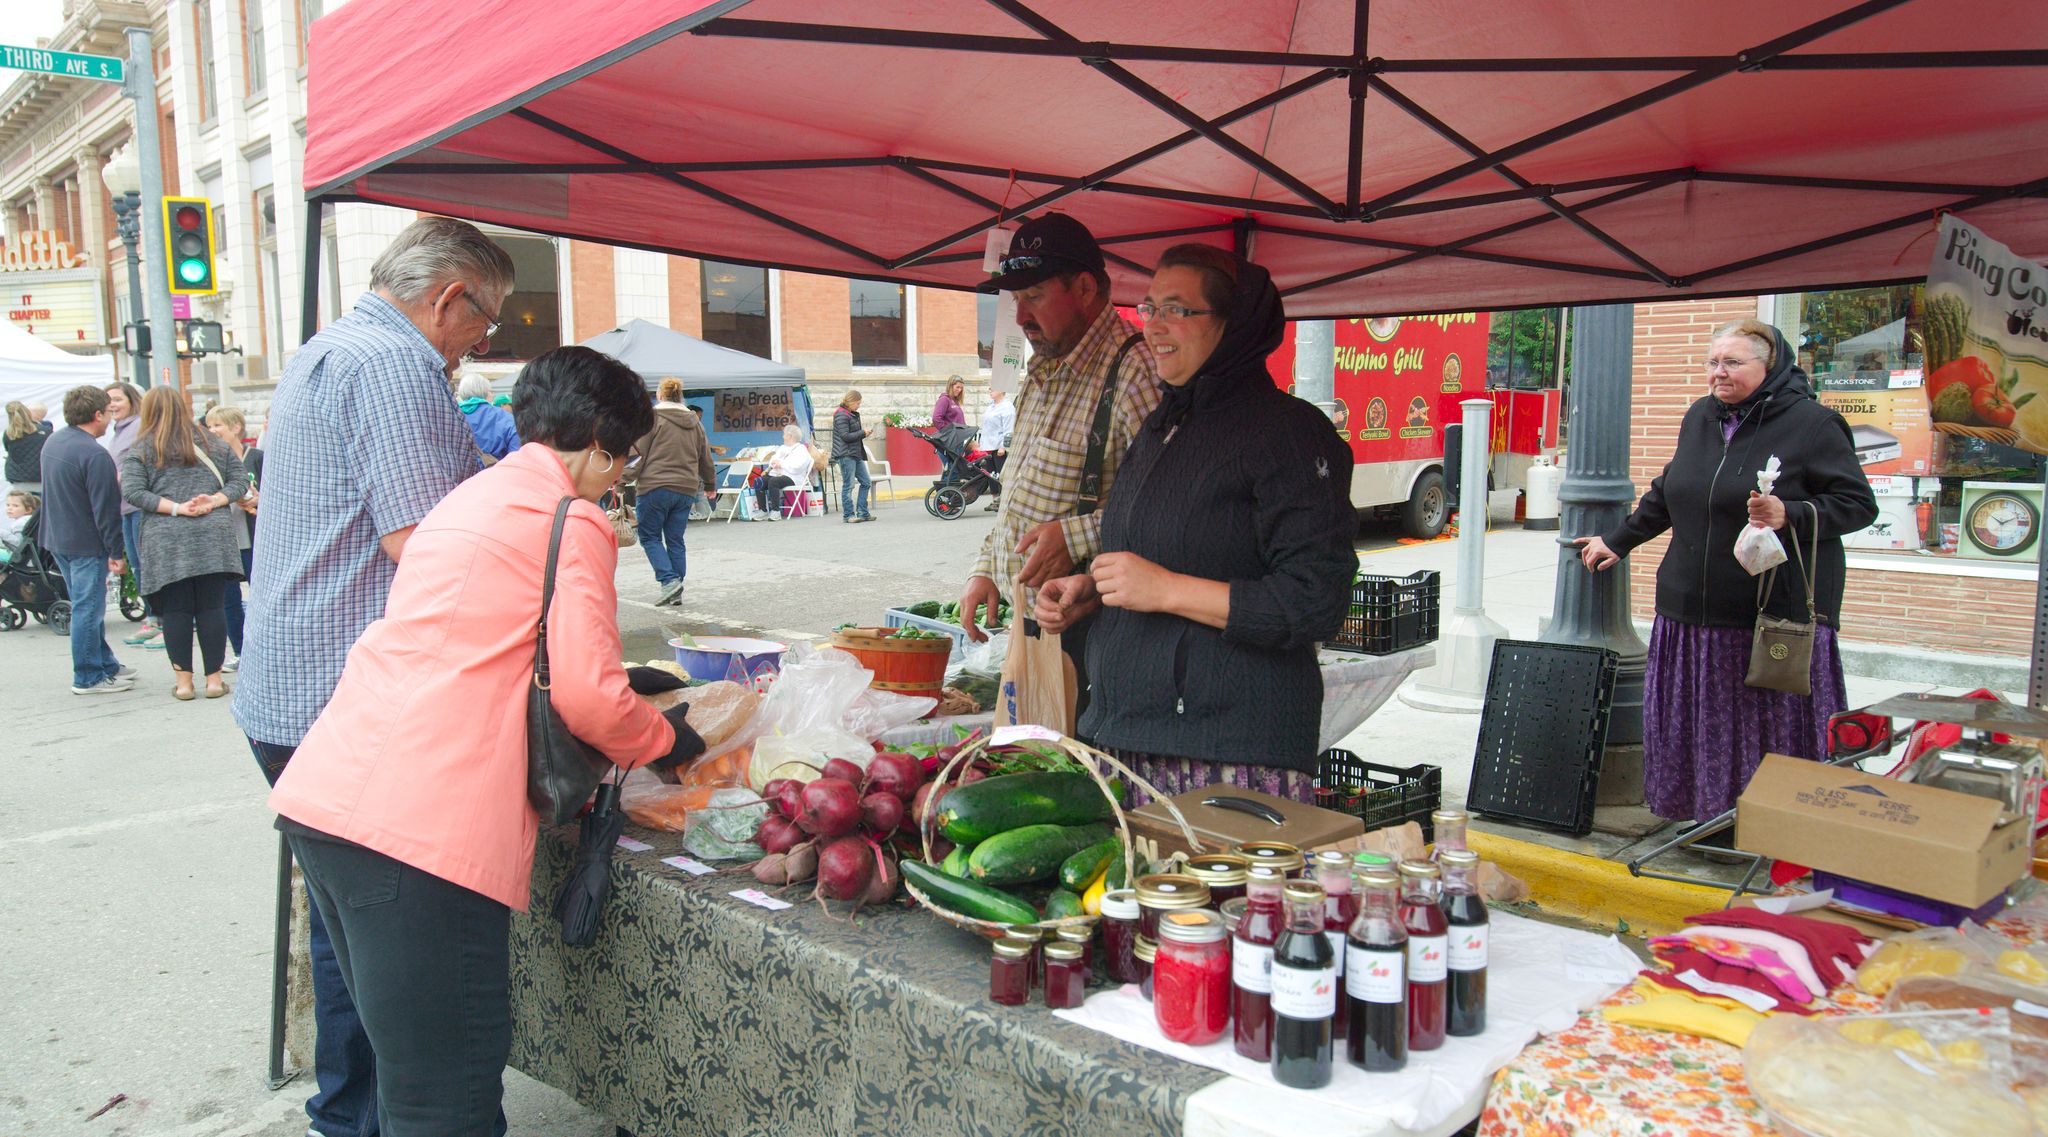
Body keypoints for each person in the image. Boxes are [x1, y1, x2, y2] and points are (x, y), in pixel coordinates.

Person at [267, 346, 699, 1136]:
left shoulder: (472, 495)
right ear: (602, 440)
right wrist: (666, 737)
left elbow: (481, 632)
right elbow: (589, 700)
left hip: (329, 795)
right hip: (421, 831)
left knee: (405, 1078)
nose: (621, 472)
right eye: (625, 454)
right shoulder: (572, 517)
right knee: (448, 1098)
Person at [235, 215, 513, 1137]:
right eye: (488, 322)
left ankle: (345, 1111)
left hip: (286, 687)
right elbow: (423, 541)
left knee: (343, 929)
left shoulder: (330, 347)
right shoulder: (394, 365)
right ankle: (371, 1116)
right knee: (384, 951)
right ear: (449, 298)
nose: (483, 344)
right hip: (340, 697)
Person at [1035, 245, 1355, 805]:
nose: (1153, 325)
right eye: (1150, 307)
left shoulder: (1288, 434)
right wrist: (1096, 592)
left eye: (1178, 309)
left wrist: (1165, 590)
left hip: (1228, 755)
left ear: (1234, 324)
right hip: (1128, 738)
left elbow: (1315, 601)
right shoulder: (1165, 424)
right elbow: (1164, 555)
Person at [1573, 319, 1877, 828]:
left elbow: (1857, 505)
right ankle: (1708, 817)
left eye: (1732, 363)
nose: (1718, 373)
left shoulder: (1814, 424)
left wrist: (1791, 514)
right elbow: (1670, 491)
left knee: (1764, 725)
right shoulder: (1701, 417)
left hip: (1768, 616)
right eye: (1713, 362)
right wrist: (1619, 540)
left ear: (1770, 365)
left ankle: (1775, 825)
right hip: (1690, 609)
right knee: (1703, 726)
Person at [959, 213, 1162, 721]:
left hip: (1094, 636)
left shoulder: (1136, 374)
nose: (1021, 315)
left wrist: (1075, 538)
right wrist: (987, 568)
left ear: (1087, 288)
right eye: (1016, 299)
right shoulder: (1044, 370)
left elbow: (1167, 513)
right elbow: (1017, 493)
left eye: (1036, 296)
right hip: (1032, 628)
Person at [121, 387, 249, 701]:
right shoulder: (212, 442)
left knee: (176, 611)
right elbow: (240, 480)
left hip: (166, 538)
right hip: (213, 534)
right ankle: (215, 680)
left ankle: (184, 683)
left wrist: (177, 508)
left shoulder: (142, 448)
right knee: (211, 607)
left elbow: (134, 492)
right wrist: (215, 500)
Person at [35, 386, 132, 695]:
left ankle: (105, 663)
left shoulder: (55, 440)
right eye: (108, 411)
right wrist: (117, 551)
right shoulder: (94, 454)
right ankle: (88, 676)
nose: (110, 417)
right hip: (84, 542)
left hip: (57, 536)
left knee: (85, 606)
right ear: (96, 415)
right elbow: (106, 510)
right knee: (88, 609)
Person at [629, 377, 716, 605]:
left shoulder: (652, 419)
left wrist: (622, 480)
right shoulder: (695, 422)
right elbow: (705, 456)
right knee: (676, 539)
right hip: (686, 488)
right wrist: (709, 485)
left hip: (654, 486)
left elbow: (638, 453)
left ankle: (669, 582)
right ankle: (676, 586)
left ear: (659, 396)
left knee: (649, 536)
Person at [205, 405, 262, 669]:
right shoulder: (210, 461)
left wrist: (258, 500)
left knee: (260, 592)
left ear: (236, 427)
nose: (212, 431)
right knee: (228, 598)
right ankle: (240, 650)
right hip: (226, 539)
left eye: (218, 425)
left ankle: (263, 647)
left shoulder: (256, 457)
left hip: (254, 535)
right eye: (210, 426)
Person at [103, 383, 159, 648]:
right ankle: (153, 616)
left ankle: (158, 619)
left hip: (138, 506)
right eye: (108, 401)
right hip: (124, 507)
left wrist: (121, 477)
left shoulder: (137, 426)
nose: (112, 404)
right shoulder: (119, 429)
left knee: (144, 564)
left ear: (132, 400)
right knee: (137, 565)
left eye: (117, 399)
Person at [831, 390, 876, 524]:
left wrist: (863, 433)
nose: (859, 406)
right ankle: (848, 515)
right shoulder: (841, 414)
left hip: (855, 453)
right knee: (848, 485)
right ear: (851, 402)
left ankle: (862, 512)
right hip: (845, 454)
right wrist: (863, 432)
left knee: (866, 482)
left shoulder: (850, 414)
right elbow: (845, 436)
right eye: (857, 403)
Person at [752, 423, 814, 520]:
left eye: (784, 434)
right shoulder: (782, 448)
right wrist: (774, 463)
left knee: (774, 481)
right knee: (759, 481)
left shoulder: (801, 450)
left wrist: (781, 464)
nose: (783, 436)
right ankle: (762, 510)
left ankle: (776, 511)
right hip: (777, 474)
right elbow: (772, 460)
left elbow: (797, 467)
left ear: (790, 436)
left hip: (793, 477)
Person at [455, 372, 521, 460]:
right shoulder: (506, 418)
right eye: (491, 391)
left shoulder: (452, 416)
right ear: (486, 393)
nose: (492, 395)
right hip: (498, 471)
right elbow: (516, 456)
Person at [975, 386, 1015, 511]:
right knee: (991, 475)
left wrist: (1003, 446)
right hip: (989, 446)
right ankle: (995, 500)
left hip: (999, 447)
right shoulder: (991, 406)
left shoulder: (1007, 407)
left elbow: (1009, 429)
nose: (989, 390)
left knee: (1001, 475)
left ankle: (1004, 501)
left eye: (993, 388)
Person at [5, 400, 51, 492]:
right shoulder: (46, 431)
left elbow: (8, 449)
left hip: (18, 478)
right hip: (41, 477)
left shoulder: (10, 432)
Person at [931, 375, 971, 481]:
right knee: (953, 469)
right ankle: (947, 494)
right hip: (949, 441)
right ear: (950, 385)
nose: (959, 390)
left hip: (957, 440)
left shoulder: (955, 401)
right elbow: (936, 418)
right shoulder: (944, 400)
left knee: (954, 468)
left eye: (961, 388)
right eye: (957, 387)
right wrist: (948, 432)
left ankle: (947, 493)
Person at [1, 489, 35, 562]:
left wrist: (2, 532)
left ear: (28, 510)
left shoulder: (20, 523)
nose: (9, 508)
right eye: (8, 505)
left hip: (19, 558)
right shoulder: (29, 520)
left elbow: (18, 545)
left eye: (15, 506)